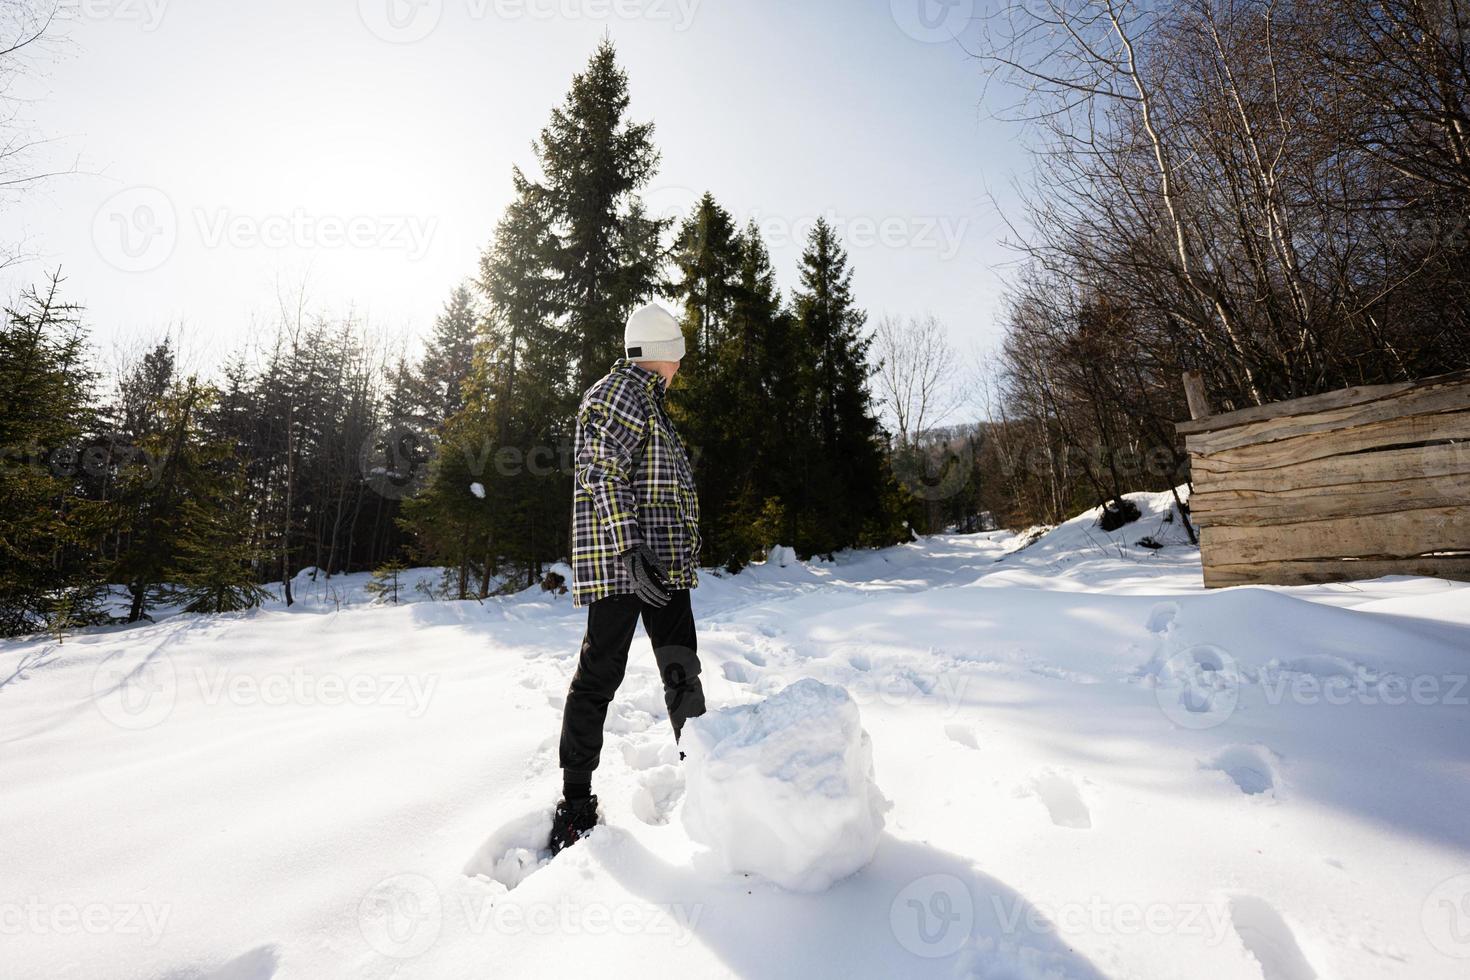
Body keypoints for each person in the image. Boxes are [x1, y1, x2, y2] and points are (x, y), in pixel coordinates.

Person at [549, 301, 706, 854]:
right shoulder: (617, 395)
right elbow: (601, 471)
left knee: (682, 671)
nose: (679, 367)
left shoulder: (648, 403)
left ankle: (712, 787)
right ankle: (574, 804)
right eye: (677, 357)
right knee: (598, 677)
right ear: (663, 353)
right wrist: (630, 546)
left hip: (661, 564)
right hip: (625, 566)